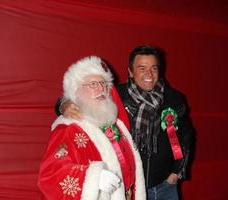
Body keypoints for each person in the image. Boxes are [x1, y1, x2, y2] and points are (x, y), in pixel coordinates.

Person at [57, 45, 195, 200]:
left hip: (166, 185)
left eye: (153, 68)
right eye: (142, 68)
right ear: (130, 71)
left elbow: (186, 134)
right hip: (132, 188)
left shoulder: (174, 98)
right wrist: (63, 104)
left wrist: (177, 172)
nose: (149, 73)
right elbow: (82, 95)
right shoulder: (115, 95)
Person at [38, 56, 146, 200]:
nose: (101, 88)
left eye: (103, 83)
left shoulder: (115, 123)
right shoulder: (67, 128)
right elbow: (50, 174)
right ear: (76, 91)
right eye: (93, 84)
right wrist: (92, 178)